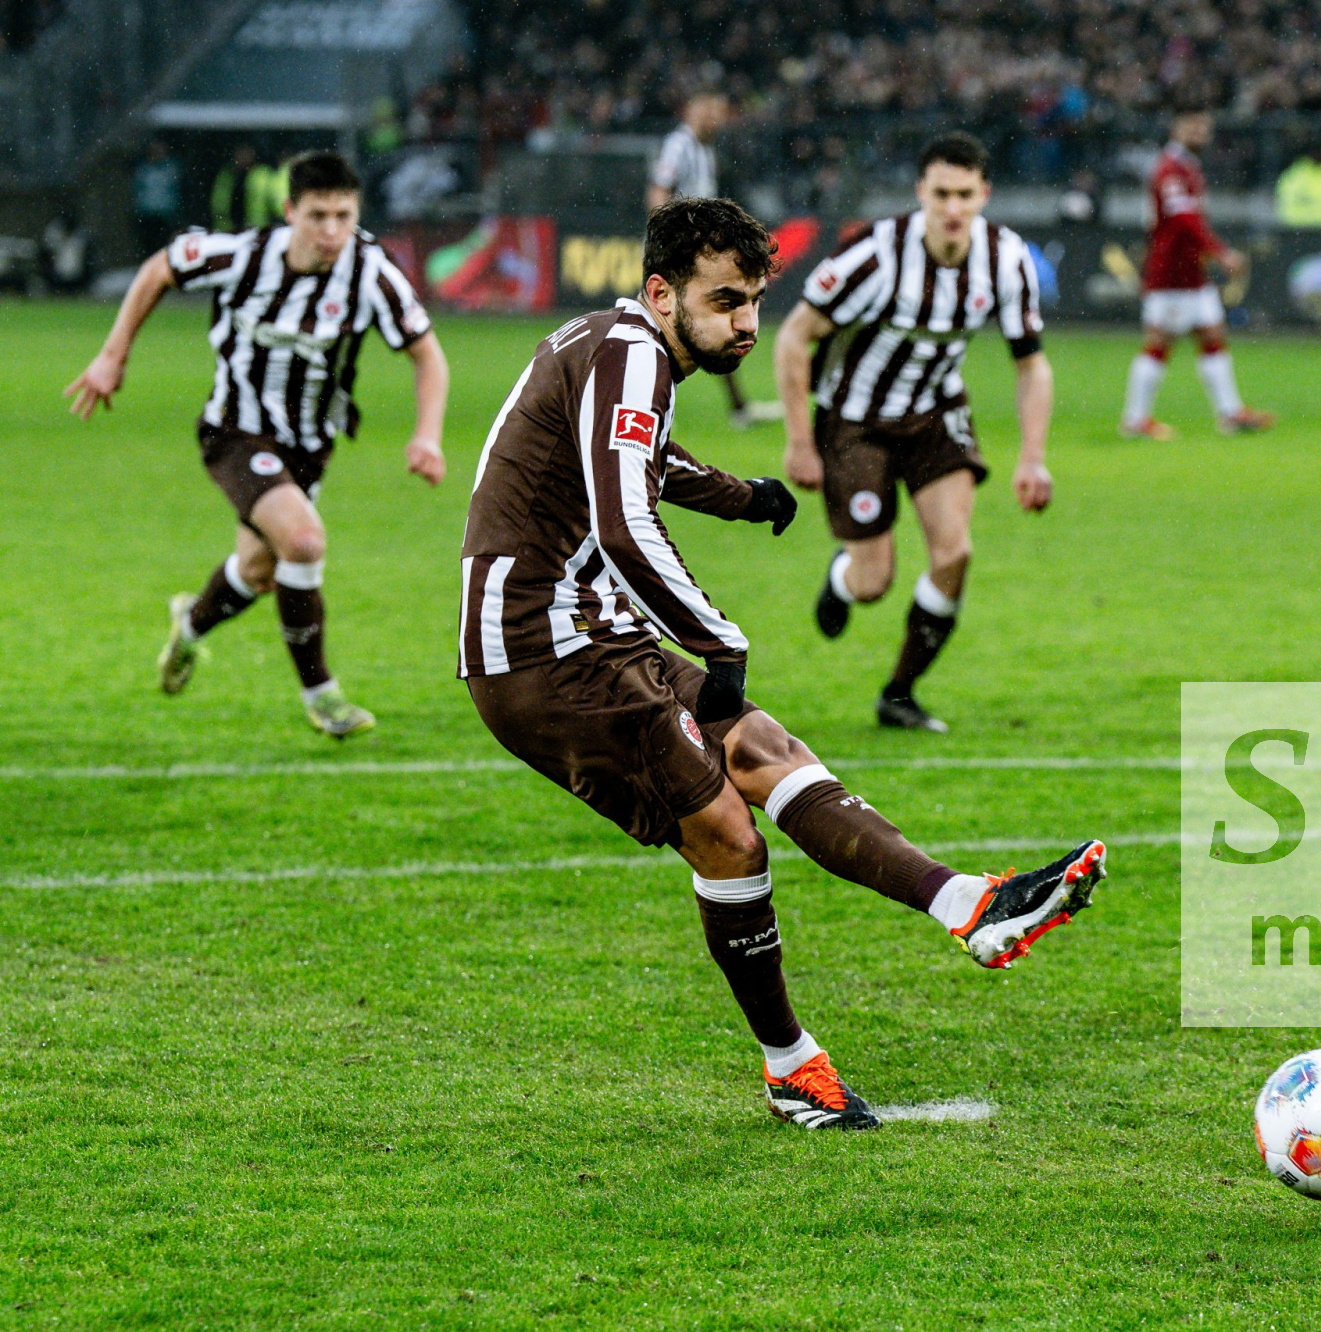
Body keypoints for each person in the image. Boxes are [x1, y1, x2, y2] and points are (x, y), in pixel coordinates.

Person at [458, 196, 1107, 1129]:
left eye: (755, 300)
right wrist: (719, 640)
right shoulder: (632, 352)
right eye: (725, 301)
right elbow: (624, 517)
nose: (748, 324)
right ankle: (792, 1068)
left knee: (766, 750)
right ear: (661, 293)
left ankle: (970, 904)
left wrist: (742, 496)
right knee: (727, 834)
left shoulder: (616, 344)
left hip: (590, 630)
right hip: (540, 650)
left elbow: (638, 462)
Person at [66, 151, 450, 738]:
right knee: (303, 540)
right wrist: (112, 356)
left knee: (257, 568)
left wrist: (427, 436)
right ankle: (323, 696)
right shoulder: (243, 255)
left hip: (310, 445)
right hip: (235, 429)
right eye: (317, 216)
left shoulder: (372, 275)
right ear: (290, 210)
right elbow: (158, 270)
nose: (331, 231)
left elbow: (428, 356)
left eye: (344, 216)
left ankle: (187, 628)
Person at [772, 132, 1055, 734]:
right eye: (942, 193)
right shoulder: (875, 255)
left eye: (965, 195)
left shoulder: (1006, 259)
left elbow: (1031, 365)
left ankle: (899, 694)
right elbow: (794, 336)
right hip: (855, 419)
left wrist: (1033, 457)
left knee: (955, 554)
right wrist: (799, 440)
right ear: (921, 192)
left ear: (984, 195)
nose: (953, 208)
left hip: (934, 413)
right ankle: (843, 578)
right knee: (873, 582)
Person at [1119, 109, 1273, 440]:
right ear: (1176, 128)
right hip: (1171, 274)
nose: (1201, 133)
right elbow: (1182, 219)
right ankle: (1134, 420)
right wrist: (1220, 252)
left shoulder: (1186, 166)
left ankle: (1230, 413)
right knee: (1159, 343)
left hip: (1191, 273)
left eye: (1205, 127)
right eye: (1194, 126)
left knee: (1212, 336)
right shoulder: (1169, 170)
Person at [646, 92, 781, 430]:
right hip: (682, 255)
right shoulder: (679, 144)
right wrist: (669, 241)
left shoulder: (704, 149)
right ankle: (645, 403)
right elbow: (658, 190)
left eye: (717, 112)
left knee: (715, 325)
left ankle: (737, 407)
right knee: (667, 327)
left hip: (701, 253)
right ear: (690, 110)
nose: (712, 118)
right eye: (706, 110)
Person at [131, 139, 183, 256]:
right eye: (154, 150)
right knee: (148, 244)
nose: (157, 153)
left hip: (166, 213)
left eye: (160, 150)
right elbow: (138, 190)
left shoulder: (172, 168)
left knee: (164, 245)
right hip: (147, 213)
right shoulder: (143, 169)